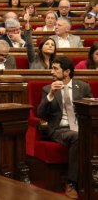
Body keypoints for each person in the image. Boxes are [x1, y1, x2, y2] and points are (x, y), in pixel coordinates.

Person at [37, 56, 92, 199]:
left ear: (67, 72)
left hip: (82, 127)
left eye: (55, 69)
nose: (51, 72)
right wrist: (50, 95)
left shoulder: (83, 87)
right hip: (59, 129)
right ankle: (72, 183)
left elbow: (91, 108)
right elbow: (40, 113)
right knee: (77, 137)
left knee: (83, 135)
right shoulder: (47, 89)